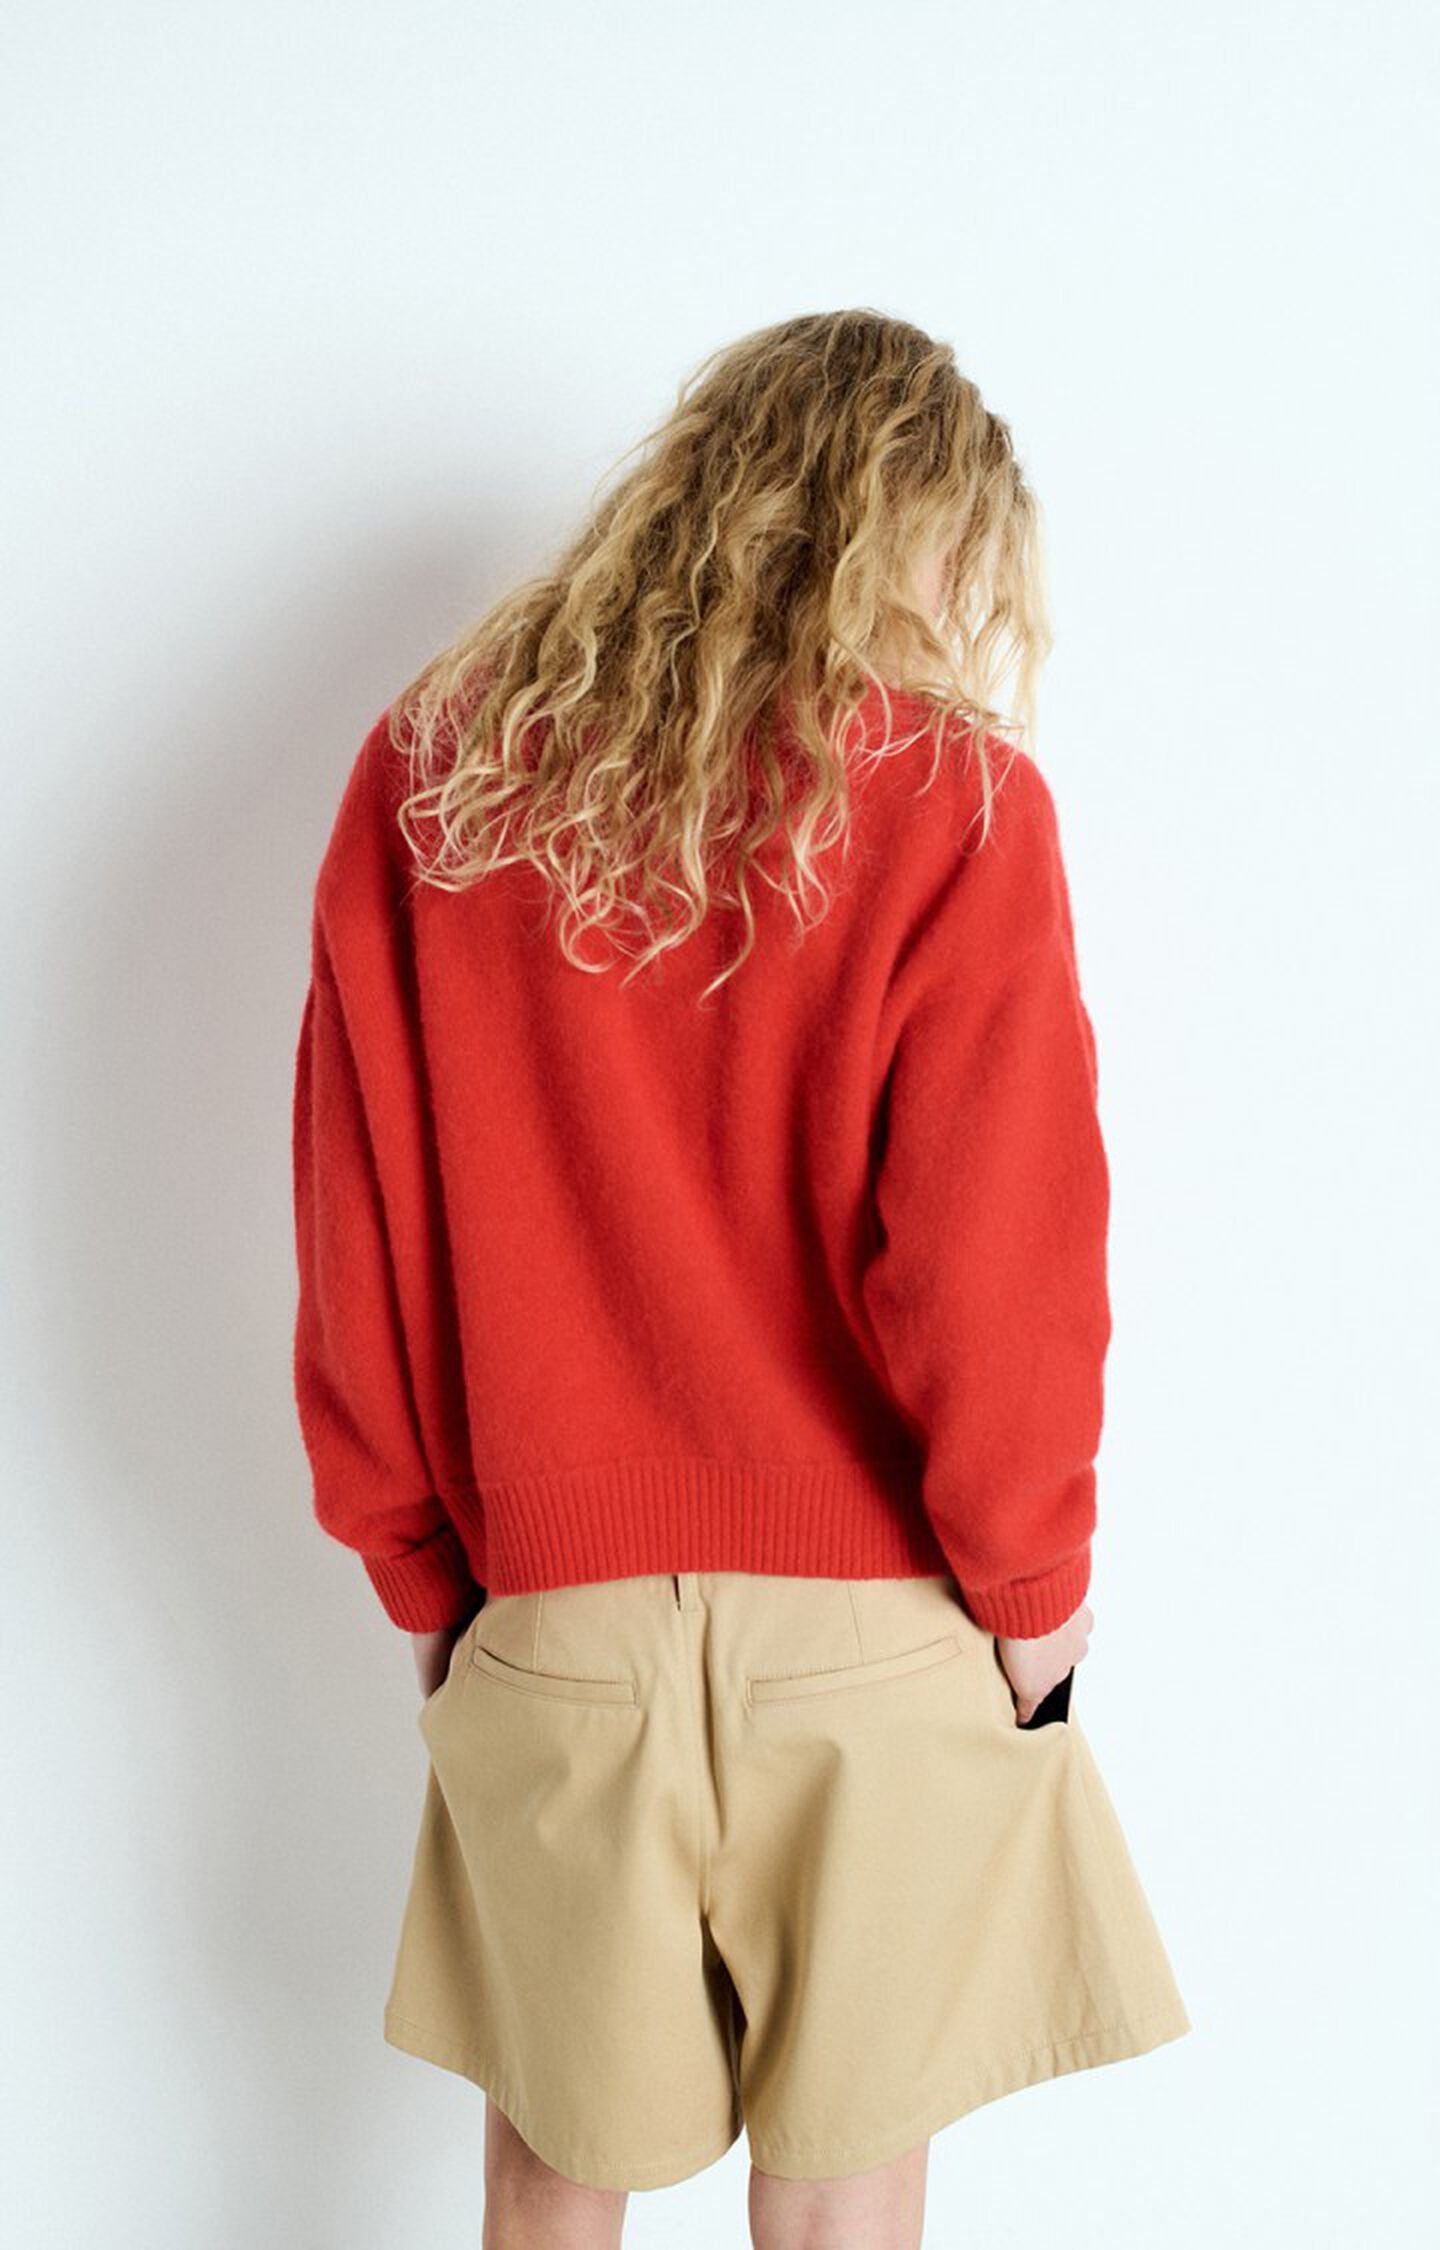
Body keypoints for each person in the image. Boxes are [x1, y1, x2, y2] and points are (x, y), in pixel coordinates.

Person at [290, 308, 1191, 2249]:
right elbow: (1001, 1262)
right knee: (847, 2200)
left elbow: (355, 1227)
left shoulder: (436, 779)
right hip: (879, 1632)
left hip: (556, 1618)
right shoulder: (953, 801)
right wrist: (1033, 1595)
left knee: (551, 2182)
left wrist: (426, 1572)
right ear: (921, 541)